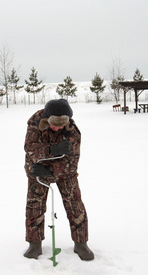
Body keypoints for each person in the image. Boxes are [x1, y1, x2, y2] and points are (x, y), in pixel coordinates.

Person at [23, 99, 94, 261]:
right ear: (47, 119)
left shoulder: (73, 132)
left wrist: (50, 169)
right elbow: (30, 148)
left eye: (61, 124)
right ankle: (34, 244)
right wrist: (53, 149)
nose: (57, 128)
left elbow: (72, 162)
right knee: (34, 205)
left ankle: (81, 243)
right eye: (54, 124)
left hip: (64, 172)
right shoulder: (35, 122)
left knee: (75, 204)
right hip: (37, 168)